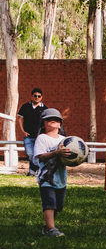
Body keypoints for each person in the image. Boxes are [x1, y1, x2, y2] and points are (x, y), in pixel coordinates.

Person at [33, 108, 69, 237]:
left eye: (57, 119)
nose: (53, 121)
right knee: (49, 203)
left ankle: (47, 226)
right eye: (49, 119)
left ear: (60, 124)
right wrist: (56, 153)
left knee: (58, 206)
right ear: (43, 124)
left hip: (61, 178)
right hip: (46, 179)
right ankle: (51, 228)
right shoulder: (42, 138)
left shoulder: (65, 140)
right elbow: (40, 156)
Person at [18, 87, 47, 176]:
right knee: (30, 154)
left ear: (41, 97)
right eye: (35, 96)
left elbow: (47, 122)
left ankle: (31, 172)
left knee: (37, 154)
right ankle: (42, 169)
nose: (37, 98)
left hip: (40, 137)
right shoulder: (25, 107)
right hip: (28, 136)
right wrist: (23, 131)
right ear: (31, 96)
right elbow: (20, 119)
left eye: (39, 96)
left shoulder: (45, 109)